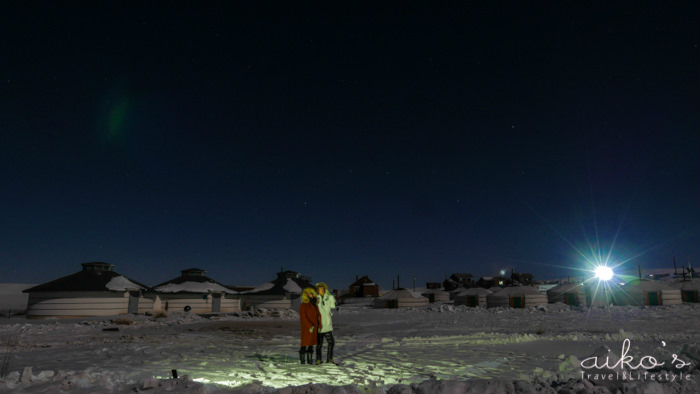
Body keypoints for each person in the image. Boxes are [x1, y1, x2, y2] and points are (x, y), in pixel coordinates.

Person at [315, 282, 337, 364]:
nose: (323, 290)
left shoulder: (327, 298)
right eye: (321, 289)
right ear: (317, 290)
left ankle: (330, 359)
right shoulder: (315, 298)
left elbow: (333, 306)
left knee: (331, 342)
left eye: (324, 289)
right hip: (319, 326)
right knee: (319, 345)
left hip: (327, 325)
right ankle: (318, 360)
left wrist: (330, 296)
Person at [298, 287, 321, 364]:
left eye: (312, 293)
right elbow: (303, 317)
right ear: (306, 295)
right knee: (305, 343)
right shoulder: (304, 305)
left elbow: (319, 316)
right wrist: (309, 326)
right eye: (309, 294)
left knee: (311, 343)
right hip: (307, 328)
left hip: (314, 327)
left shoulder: (315, 305)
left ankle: (310, 360)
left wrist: (319, 325)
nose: (311, 295)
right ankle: (302, 360)